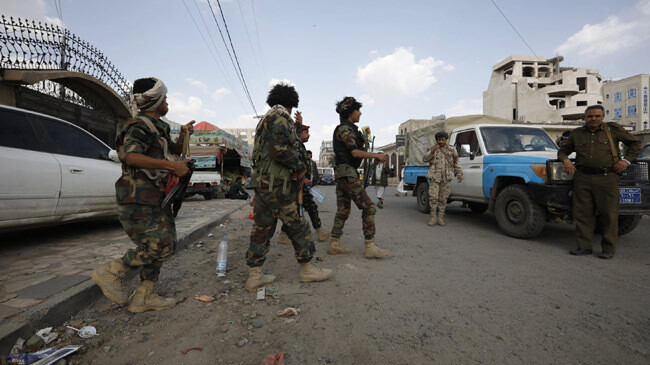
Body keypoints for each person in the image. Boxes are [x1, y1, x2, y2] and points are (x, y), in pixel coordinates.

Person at [91, 77, 194, 313]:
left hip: (156, 196)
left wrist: (184, 135)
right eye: (164, 98)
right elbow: (131, 156)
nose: (167, 101)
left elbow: (173, 150)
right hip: (137, 196)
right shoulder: (137, 126)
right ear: (156, 101)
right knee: (158, 245)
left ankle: (144, 296)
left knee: (167, 243)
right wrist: (172, 167)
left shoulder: (160, 127)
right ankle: (111, 272)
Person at [245, 83, 332, 292]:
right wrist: (301, 166)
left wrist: (296, 125)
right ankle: (307, 268)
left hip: (265, 184)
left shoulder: (269, 117)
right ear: (292, 102)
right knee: (298, 225)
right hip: (278, 186)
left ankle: (254, 275)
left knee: (262, 227)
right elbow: (280, 151)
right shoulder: (280, 117)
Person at [558, 105, 641, 259]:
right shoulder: (577, 134)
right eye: (590, 116)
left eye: (597, 116)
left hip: (607, 177)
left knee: (609, 214)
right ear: (585, 118)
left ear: (603, 116)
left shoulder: (612, 130)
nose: (593, 119)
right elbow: (562, 150)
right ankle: (584, 247)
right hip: (582, 178)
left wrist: (626, 161)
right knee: (583, 214)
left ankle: (608, 248)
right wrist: (566, 161)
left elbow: (635, 143)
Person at [328, 96, 389, 258]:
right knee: (369, 207)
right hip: (347, 173)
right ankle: (370, 246)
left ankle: (334, 243)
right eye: (357, 110)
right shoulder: (345, 129)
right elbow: (354, 152)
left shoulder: (347, 128)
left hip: (343, 173)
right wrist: (376, 155)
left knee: (343, 210)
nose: (360, 113)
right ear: (350, 113)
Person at [278, 125, 331, 244]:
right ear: (299, 133)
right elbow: (294, 163)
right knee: (300, 209)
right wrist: (302, 178)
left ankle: (285, 234)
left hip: (301, 184)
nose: (309, 134)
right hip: (297, 183)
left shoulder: (300, 146)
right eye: (306, 132)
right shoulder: (296, 146)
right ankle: (286, 234)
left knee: (302, 208)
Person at [423, 131, 462, 226]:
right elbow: (424, 159)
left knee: (443, 199)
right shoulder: (432, 149)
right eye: (439, 140)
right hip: (435, 177)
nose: (440, 141)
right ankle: (433, 218)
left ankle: (440, 218)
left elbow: (456, 162)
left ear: (446, 140)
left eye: (442, 140)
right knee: (433, 198)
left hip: (446, 177)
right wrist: (432, 151)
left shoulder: (452, 149)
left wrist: (459, 173)